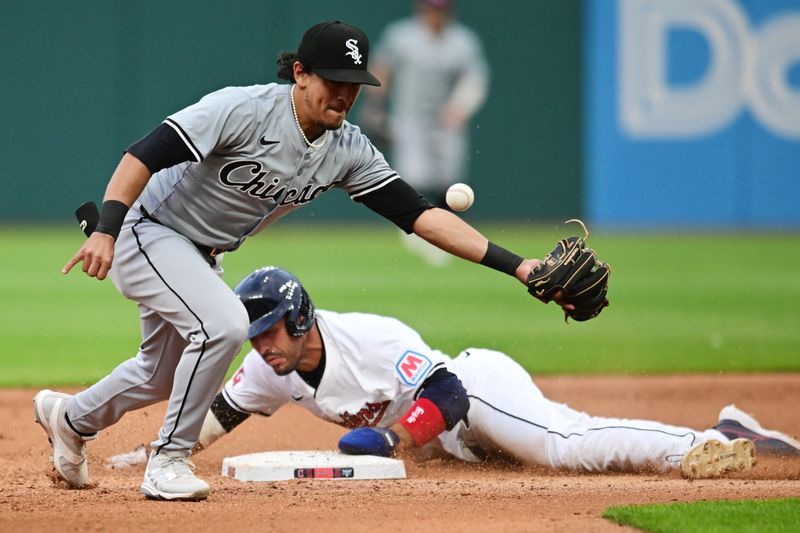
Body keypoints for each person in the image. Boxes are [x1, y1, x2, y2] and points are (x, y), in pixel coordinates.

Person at [33, 21, 556, 502]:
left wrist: (518, 266)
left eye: (355, 83)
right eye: (334, 79)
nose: (346, 93)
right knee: (223, 326)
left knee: (162, 375)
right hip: (148, 229)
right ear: (300, 74)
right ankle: (168, 462)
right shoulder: (242, 109)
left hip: (200, 252)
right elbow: (143, 154)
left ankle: (70, 419)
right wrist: (106, 228)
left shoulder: (347, 148)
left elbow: (419, 215)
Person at [196, 266, 800, 479]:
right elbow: (218, 415)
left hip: (476, 392)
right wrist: (157, 451)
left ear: (299, 319)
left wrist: (391, 440)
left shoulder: (369, 338)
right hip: (457, 442)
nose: (261, 344)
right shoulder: (267, 369)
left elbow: (449, 391)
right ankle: (729, 426)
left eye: (270, 329)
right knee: (566, 439)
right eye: (254, 334)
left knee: (563, 447)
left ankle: (708, 445)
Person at [360, 0, 490, 266]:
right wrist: (374, 106)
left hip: (445, 120)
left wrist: (460, 107)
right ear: (421, 9)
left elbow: (475, 79)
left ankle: (444, 233)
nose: (436, 15)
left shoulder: (463, 41)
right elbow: (383, 70)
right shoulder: (402, 36)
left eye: (441, 10)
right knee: (413, 176)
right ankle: (415, 229)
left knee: (448, 180)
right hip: (409, 119)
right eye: (432, 9)